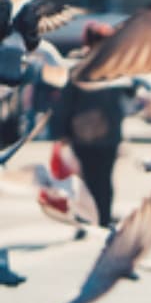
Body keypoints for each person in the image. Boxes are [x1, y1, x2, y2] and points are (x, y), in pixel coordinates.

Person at [52, 22, 124, 227]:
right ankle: (98, 218)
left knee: (93, 179)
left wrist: (62, 132)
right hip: (102, 134)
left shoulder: (86, 65)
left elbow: (64, 102)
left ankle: (94, 218)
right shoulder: (114, 65)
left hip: (87, 133)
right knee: (98, 179)